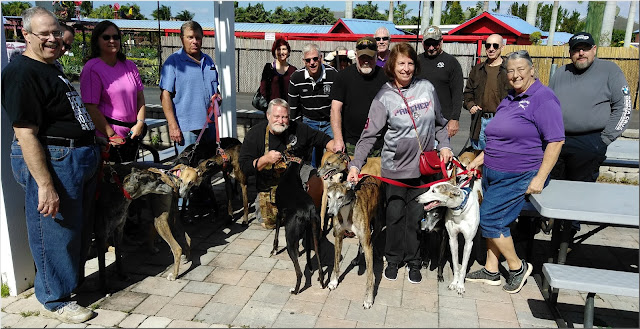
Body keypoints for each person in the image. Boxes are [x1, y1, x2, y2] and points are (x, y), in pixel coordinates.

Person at [1, 7, 99, 323]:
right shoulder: (21, 73)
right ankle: (55, 299)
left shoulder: (49, 67)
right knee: (53, 230)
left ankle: (68, 286)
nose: (52, 39)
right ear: (25, 34)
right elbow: (25, 133)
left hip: (76, 157)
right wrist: (45, 184)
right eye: (43, 33)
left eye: (55, 32)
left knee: (74, 229)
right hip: (55, 159)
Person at [347, 43, 453, 284]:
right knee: (394, 216)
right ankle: (393, 259)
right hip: (394, 169)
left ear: (415, 66)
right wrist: (355, 165)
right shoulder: (384, 97)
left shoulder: (426, 88)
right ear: (392, 67)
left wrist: (445, 145)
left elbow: (440, 123)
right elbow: (369, 135)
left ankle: (414, 260)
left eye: (410, 63)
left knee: (416, 217)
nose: (406, 68)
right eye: (401, 63)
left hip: (423, 168)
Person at [464, 50, 565, 294]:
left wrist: (539, 178)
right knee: (495, 219)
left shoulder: (544, 98)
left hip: (518, 173)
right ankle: (491, 269)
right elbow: (499, 138)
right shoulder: (510, 98)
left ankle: (517, 267)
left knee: (490, 219)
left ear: (532, 70)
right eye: (510, 70)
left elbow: (555, 141)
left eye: (521, 69)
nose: (515, 75)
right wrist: (479, 160)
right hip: (492, 170)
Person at [548, 32, 632, 235]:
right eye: (576, 50)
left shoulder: (610, 71)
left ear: (594, 49)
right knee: (553, 187)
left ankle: (567, 235)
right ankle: (552, 225)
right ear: (570, 53)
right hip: (558, 140)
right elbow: (547, 104)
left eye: (585, 49)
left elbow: (624, 105)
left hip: (590, 142)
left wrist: (605, 139)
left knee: (579, 191)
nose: (581, 53)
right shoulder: (560, 72)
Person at [238, 98, 335, 229]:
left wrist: (336, 148)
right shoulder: (255, 134)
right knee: (269, 224)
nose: (281, 121)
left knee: (316, 179)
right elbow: (244, 166)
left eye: (285, 117)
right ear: (268, 116)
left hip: (296, 174)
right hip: (270, 185)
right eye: (277, 116)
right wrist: (265, 159)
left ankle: (313, 216)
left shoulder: (298, 128)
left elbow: (321, 138)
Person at [80, 20, 146, 163]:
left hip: (132, 135)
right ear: (97, 40)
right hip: (108, 138)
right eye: (106, 37)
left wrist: (140, 122)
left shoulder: (129, 66)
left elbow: (139, 97)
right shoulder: (92, 68)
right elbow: (91, 107)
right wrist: (111, 134)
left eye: (116, 37)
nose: (112, 41)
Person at [160, 20, 220, 155]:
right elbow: (165, 96)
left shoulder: (209, 61)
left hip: (209, 128)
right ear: (182, 39)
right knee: (187, 173)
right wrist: (173, 126)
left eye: (198, 38)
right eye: (190, 37)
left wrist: (217, 98)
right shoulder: (173, 63)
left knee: (206, 173)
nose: (194, 41)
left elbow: (215, 91)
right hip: (186, 130)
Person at [330, 36, 388, 156]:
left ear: (376, 55)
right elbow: (335, 109)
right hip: (351, 143)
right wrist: (338, 139)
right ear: (356, 56)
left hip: (379, 143)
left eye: (369, 57)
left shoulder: (386, 77)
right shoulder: (343, 77)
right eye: (362, 57)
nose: (366, 61)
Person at [288, 43, 338, 168]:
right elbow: (293, 108)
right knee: (310, 161)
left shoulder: (333, 75)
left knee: (333, 157)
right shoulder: (296, 78)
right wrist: (297, 131)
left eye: (315, 59)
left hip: (329, 122)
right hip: (309, 122)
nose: (312, 62)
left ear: (321, 58)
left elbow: (339, 104)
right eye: (308, 60)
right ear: (303, 61)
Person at [463, 34, 511, 151]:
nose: (491, 48)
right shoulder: (477, 70)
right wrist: (471, 105)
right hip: (480, 121)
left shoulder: (509, 70)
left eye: (495, 45)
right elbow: (467, 93)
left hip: (501, 121)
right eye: (488, 45)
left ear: (502, 47)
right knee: (477, 160)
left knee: (497, 159)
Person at [416, 26, 464, 138]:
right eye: (428, 44)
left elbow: (457, 94)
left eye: (435, 44)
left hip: (442, 123)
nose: (431, 48)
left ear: (441, 42)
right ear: (423, 43)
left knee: (440, 153)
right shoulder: (416, 61)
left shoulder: (451, 63)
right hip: (419, 120)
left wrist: (455, 119)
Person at [259, 38, 297, 104]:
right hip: (272, 108)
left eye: (284, 49)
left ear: (288, 52)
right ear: (274, 52)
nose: (281, 52)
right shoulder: (268, 68)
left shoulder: (293, 70)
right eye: (278, 49)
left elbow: (295, 91)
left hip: (287, 110)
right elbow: (263, 89)